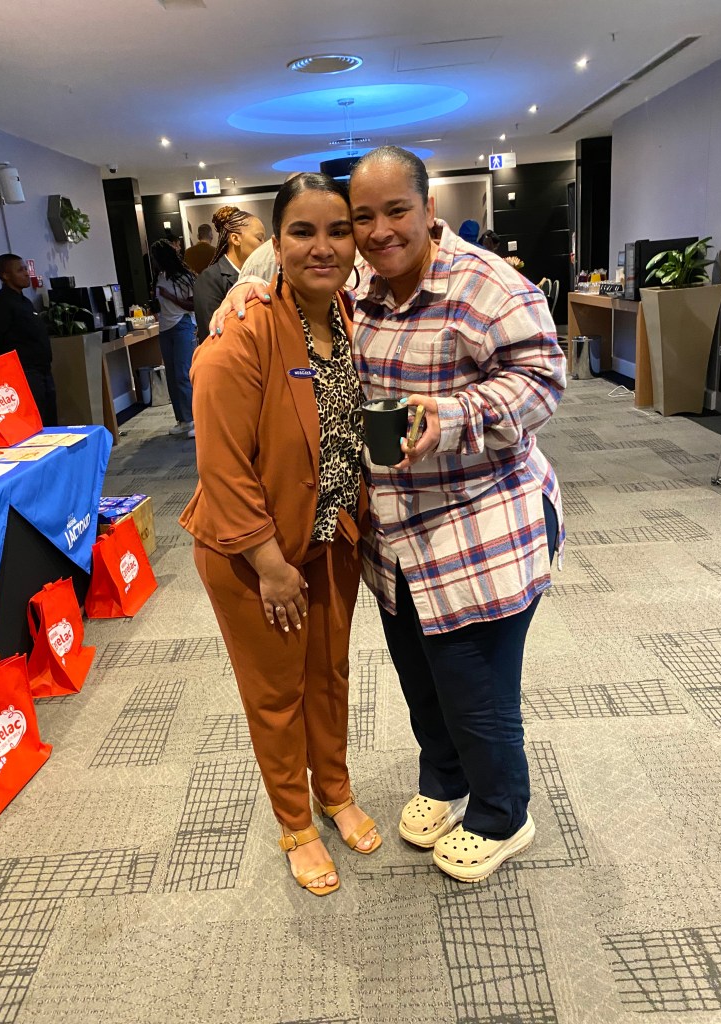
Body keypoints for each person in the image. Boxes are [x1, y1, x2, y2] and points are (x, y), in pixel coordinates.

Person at [212, 146, 565, 884]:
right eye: (361, 218)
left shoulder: (486, 284)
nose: (374, 233)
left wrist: (455, 414)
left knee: (471, 686)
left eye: (393, 212)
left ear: (429, 209)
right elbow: (224, 458)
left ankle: (502, 812)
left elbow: (542, 381)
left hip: (477, 529)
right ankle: (426, 784)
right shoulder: (349, 293)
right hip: (373, 541)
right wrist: (239, 291)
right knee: (412, 681)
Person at [179, 173, 381, 897]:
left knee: (329, 675)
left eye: (338, 230)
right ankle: (295, 821)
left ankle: (334, 789)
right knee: (276, 693)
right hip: (254, 554)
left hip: (330, 535)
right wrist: (268, 564)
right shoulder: (243, 329)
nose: (323, 247)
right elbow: (221, 465)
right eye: (303, 231)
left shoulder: (350, 316)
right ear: (276, 243)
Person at [0, 254, 57, 425]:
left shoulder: (25, 302)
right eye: (20, 270)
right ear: (6, 275)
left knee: (50, 418)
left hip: (43, 370)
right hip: (24, 374)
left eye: (26, 269)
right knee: (36, 422)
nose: (26, 273)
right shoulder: (0, 305)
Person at [193, 206, 265, 343]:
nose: (264, 245)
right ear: (235, 239)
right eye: (259, 238)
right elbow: (212, 335)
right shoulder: (209, 279)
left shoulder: (258, 276)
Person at [150, 238, 196, 437]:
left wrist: (170, 297)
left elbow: (193, 304)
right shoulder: (160, 277)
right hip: (165, 328)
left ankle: (193, 419)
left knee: (183, 374)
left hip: (182, 325)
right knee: (171, 375)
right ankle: (183, 419)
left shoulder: (184, 277)